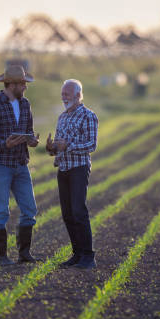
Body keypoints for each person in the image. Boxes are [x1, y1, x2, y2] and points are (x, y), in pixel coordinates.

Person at [0, 64, 40, 266]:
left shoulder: (25, 105)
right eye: (23, 84)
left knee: (29, 209)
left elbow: (29, 130)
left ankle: (24, 254)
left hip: (21, 164)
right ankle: (2, 257)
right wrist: (4, 143)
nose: (25, 87)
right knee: (1, 211)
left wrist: (32, 141)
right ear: (12, 84)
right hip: (0, 164)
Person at [46, 79, 98, 270]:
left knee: (78, 211)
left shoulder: (88, 116)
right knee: (67, 214)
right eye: (62, 93)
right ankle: (77, 253)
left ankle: (88, 255)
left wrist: (68, 146)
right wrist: (52, 148)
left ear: (78, 95)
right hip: (63, 168)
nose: (63, 97)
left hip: (79, 168)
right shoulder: (62, 117)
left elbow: (92, 145)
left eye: (66, 94)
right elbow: (59, 147)